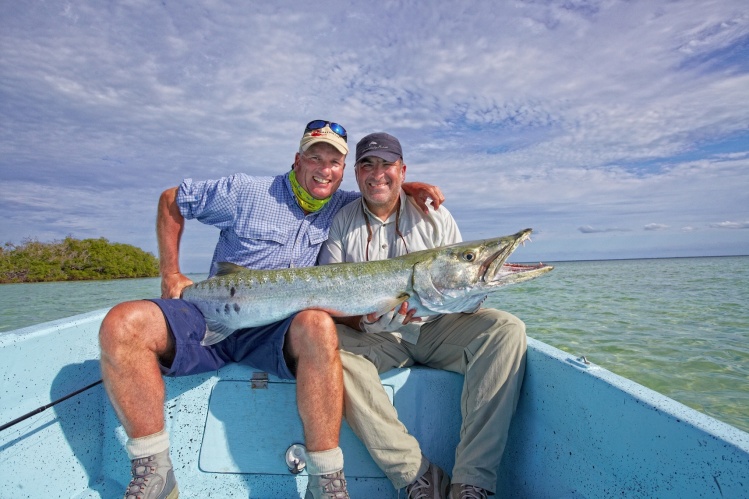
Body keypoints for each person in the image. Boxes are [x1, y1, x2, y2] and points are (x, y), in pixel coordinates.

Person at [98, 121, 444, 499]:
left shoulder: (343, 204)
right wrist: (171, 272)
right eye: (315, 158)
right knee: (122, 324)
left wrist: (411, 189)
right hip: (212, 311)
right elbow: (171, 200)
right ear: (298, 160)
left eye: (334, 162)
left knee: (317, 323)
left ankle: (326, 480)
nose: (324, 169)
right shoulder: (245, 190)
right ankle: (154, 472)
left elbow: (381, 191)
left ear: (343, 171)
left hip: (275, 330)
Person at [318, 132, 527, 499]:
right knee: (327, 355)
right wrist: (362, 321)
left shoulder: (434, 214)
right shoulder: (341, 221)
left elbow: (465, 279)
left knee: (506, 330)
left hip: (435, 328)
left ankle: (471, 482)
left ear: (402, 169)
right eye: (368, 165)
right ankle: (417, 475)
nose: (377, 174)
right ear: (355, 172)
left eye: (387, 165)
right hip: (375, 337)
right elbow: (330, 298)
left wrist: (472, 291)